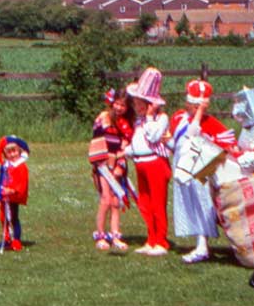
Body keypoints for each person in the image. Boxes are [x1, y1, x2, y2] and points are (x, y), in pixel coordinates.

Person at [170, 79, 237, 264]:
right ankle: (200, 243)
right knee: (190, 204)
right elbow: (186, 136)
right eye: (193, 105)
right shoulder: (179, 117)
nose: (196, 108)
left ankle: (203, 245)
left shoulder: (210, 122)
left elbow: (227, 146)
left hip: (201, 170)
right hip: (184, 166)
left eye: (199, 106)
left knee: (204, 204)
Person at [125, 67, 172, 256]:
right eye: (135, 103)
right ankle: (151, 238)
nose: (137, 107)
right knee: (145, 202)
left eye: (140, 103)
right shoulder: (139, 121)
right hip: (141, 163)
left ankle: (161, 240)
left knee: (158, 202)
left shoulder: (160, 118)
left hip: (156, 164)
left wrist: (151, 117)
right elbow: (137, 142)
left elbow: (153, 137)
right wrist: (126, 151)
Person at [89, 89, 131, 254]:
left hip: (117, 164)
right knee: (105, 199)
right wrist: (101, 162)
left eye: (123, 105)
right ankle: (100, 235)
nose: (120, 108)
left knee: (115, 201)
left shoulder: (125, 123)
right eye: (118, 104)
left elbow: (125, 143)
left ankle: (115, 235)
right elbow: (96, 139)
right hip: (103, 163)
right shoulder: (103, 117)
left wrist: (121, 163)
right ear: (112, 102)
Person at [0, 135, 30, 252]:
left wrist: (13, 190)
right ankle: (7, 238)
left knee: (13, 217)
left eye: (14, 151)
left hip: (13, 197)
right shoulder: (5, 166)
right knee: (3, 218)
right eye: (9, 152)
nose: (12, 155)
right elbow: (0, 181)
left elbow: (22, 182)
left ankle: (16, 240)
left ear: (19, 151)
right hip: (4, 196)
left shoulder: (21, 166)